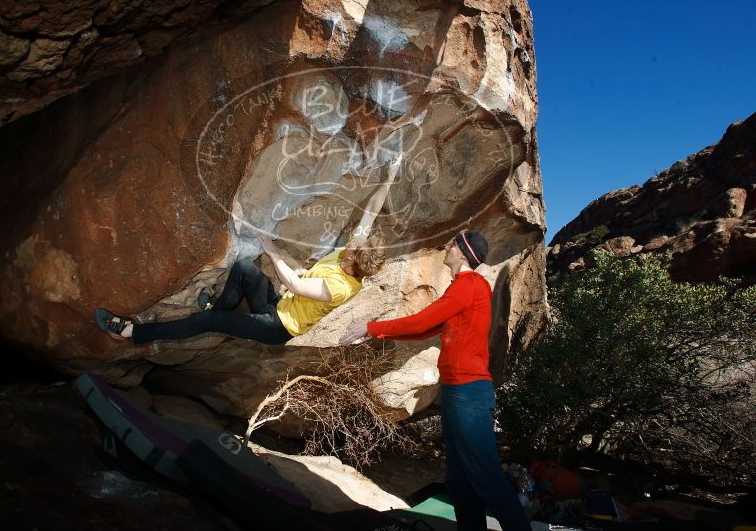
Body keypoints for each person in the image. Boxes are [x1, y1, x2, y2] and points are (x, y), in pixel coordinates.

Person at [94, 156, 400, 345]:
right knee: (243, 269)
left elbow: (295, 284)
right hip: (279, 305)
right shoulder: (354, 255)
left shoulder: (340, 288)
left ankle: (132, 333)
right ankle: (219, 313)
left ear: (353, 264)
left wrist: (272, 250)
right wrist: (390, 176)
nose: (352, 242)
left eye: (353, 248)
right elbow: (370, 213)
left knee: (208, 324)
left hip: (277, 327)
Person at [340, 231, 531, 531]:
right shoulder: (463, 288)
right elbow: (424, 330)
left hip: (469, 393)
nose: (448, 247)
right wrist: (372, 333)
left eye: (454, 244)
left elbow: (422, 320)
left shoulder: (469, 285)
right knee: (460, 483)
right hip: (459, 392)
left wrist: (370, 326)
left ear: (463, 254)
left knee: (486, 477)